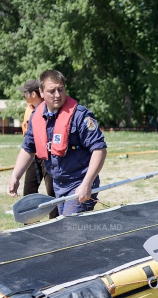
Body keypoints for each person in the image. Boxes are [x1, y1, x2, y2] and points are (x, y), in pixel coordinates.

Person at [7, 70, 107, 216]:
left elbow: (100, 149)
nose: (57, 95)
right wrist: (15, 176)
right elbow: (28, 148)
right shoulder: (36, 117)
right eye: (52, 91)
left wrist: (87, 183)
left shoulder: (80, 115)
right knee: (64, 229)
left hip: (79, 183)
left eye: (60, 89)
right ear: (41, 92)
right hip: (58, 185)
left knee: (70, 230)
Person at [19, 79, 57, 220]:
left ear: (34, 94)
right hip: (32, 155)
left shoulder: (48, 109)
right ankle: (29, 223)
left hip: (48, 155)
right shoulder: (30, 109)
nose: (23, 95)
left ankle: (55, 223)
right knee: (29, 190)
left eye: (25, 92)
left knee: (52, 191)